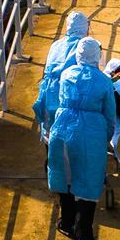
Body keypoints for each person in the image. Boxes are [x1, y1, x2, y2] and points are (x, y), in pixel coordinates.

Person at [47, 37, 116, 240]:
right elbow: (110, 115)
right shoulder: (104, 81)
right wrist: (104, 138)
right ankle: (83, 237)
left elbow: (57, 100)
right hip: (91, 133)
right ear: (97, 56)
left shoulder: (67, 74)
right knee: (88, 182)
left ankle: (67, 222)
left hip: (63, 128)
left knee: (65, 178)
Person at [32, 10, 89, 142]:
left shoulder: (56, 45)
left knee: (51, 133)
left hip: (50, 93)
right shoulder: (84, 47)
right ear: (85, 27)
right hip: (70, 94)